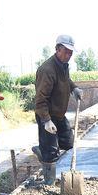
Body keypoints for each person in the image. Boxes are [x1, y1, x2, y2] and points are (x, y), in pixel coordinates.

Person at [32, 34, 82, 185]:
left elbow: (65, 79)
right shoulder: (47, 70)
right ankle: (49, 181)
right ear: (57, 49)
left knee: (68, 142)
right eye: (66, 51)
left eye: (71, 52)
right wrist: (46, 121)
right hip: (46, 114)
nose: (69, 55)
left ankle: (44, 149)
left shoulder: (62, 66)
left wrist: (74, 88)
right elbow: (40, 100)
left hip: (59, 115)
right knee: (51, 153)